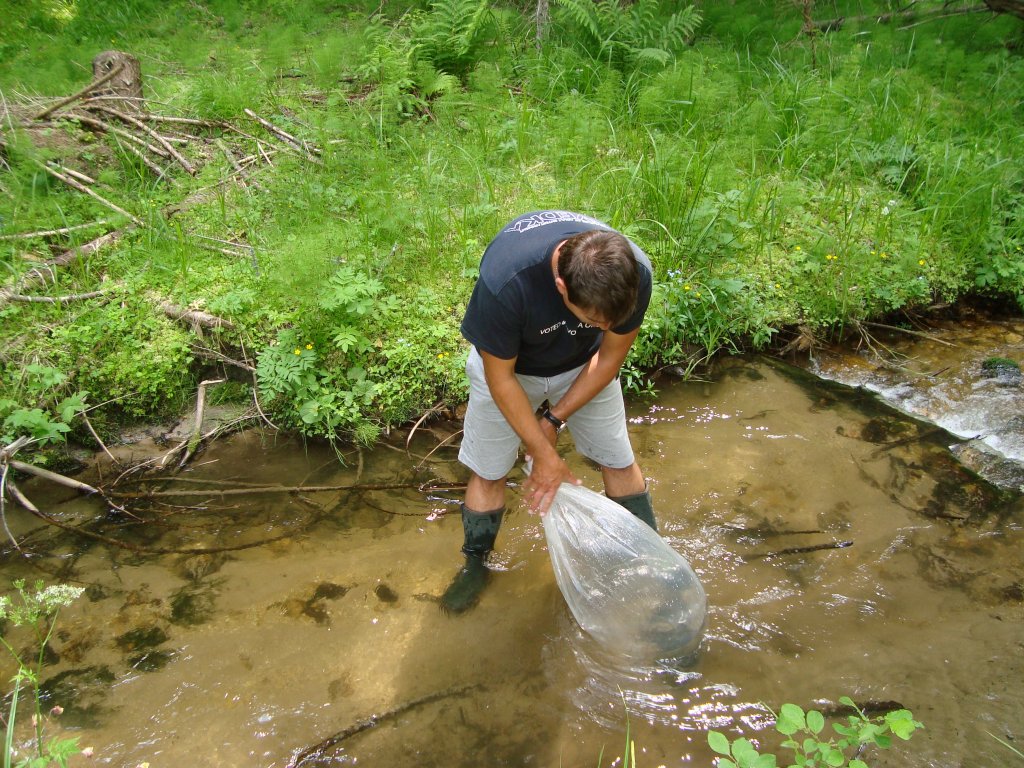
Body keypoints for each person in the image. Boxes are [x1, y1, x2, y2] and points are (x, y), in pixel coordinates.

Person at [441, 210, 656, 614]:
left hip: (584, 366)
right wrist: (543, 453)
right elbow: (500, 378)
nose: (606, 325)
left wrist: (554, 420)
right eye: (594, 319)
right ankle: (475, 564)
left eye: (614, 319)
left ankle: (647, 559)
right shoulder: (507, 282)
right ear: (560, 286)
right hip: (511, 369)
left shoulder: (633, 273)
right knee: (489, 471)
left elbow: (609, 357)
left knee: (618, 459)